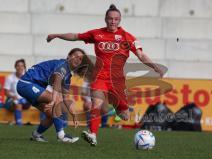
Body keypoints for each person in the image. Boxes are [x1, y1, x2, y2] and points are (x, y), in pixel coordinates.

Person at [46, 4, 165, 146]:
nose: (113, 22)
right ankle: (93, 134)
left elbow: (140, 55)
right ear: (105, 19)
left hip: (117, 81)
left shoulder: (128, 37)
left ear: (119, 20)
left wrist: (155, 67)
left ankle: (116, 108)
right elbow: (75, 36)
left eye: (116, 19)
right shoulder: (97, 34)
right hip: (100, 77)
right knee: (95, 102)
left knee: (125, 116)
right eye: (110, 19)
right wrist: (56, 35)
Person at [17, 48, 91, 143]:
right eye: (75, 56)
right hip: (26, 83)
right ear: (68, 56)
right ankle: (61, 136)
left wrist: (74, 115)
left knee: (51, 114)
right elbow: (57, 80)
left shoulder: (68, 76)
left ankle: (36, 135)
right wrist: (53, 100)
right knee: (57, 100)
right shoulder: (63, 65)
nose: (77, 59)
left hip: (32, 87)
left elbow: (65, 98)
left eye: (80, 59)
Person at [4, 59, 31, 126]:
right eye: (18, 66)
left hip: (25, 101)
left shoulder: (27, 78)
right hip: (12, 100)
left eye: (22, 66)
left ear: (24, 67)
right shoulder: (10, 78)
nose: (20, 67)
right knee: (18, 103)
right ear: (15, 67)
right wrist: (13, 96)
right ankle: (19, 124)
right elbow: (6, 92)